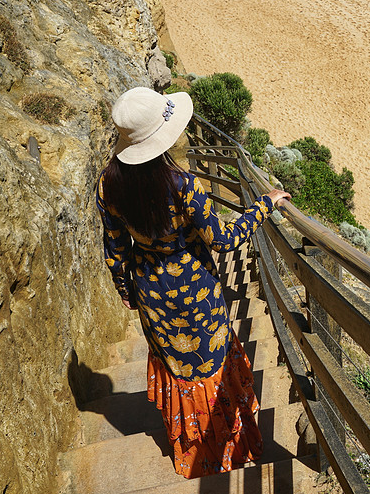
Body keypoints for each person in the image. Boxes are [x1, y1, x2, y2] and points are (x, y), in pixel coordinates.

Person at [96, 87, 292, 479]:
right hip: (196, 292)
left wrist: (127, 293)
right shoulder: (182, 185)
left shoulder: (108, 185)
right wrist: (264, 206)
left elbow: (115, 251)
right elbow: (222, 239)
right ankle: (229, 452)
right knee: (211, 365)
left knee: (179, 367)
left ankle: (191, 454)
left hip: (151, 294)